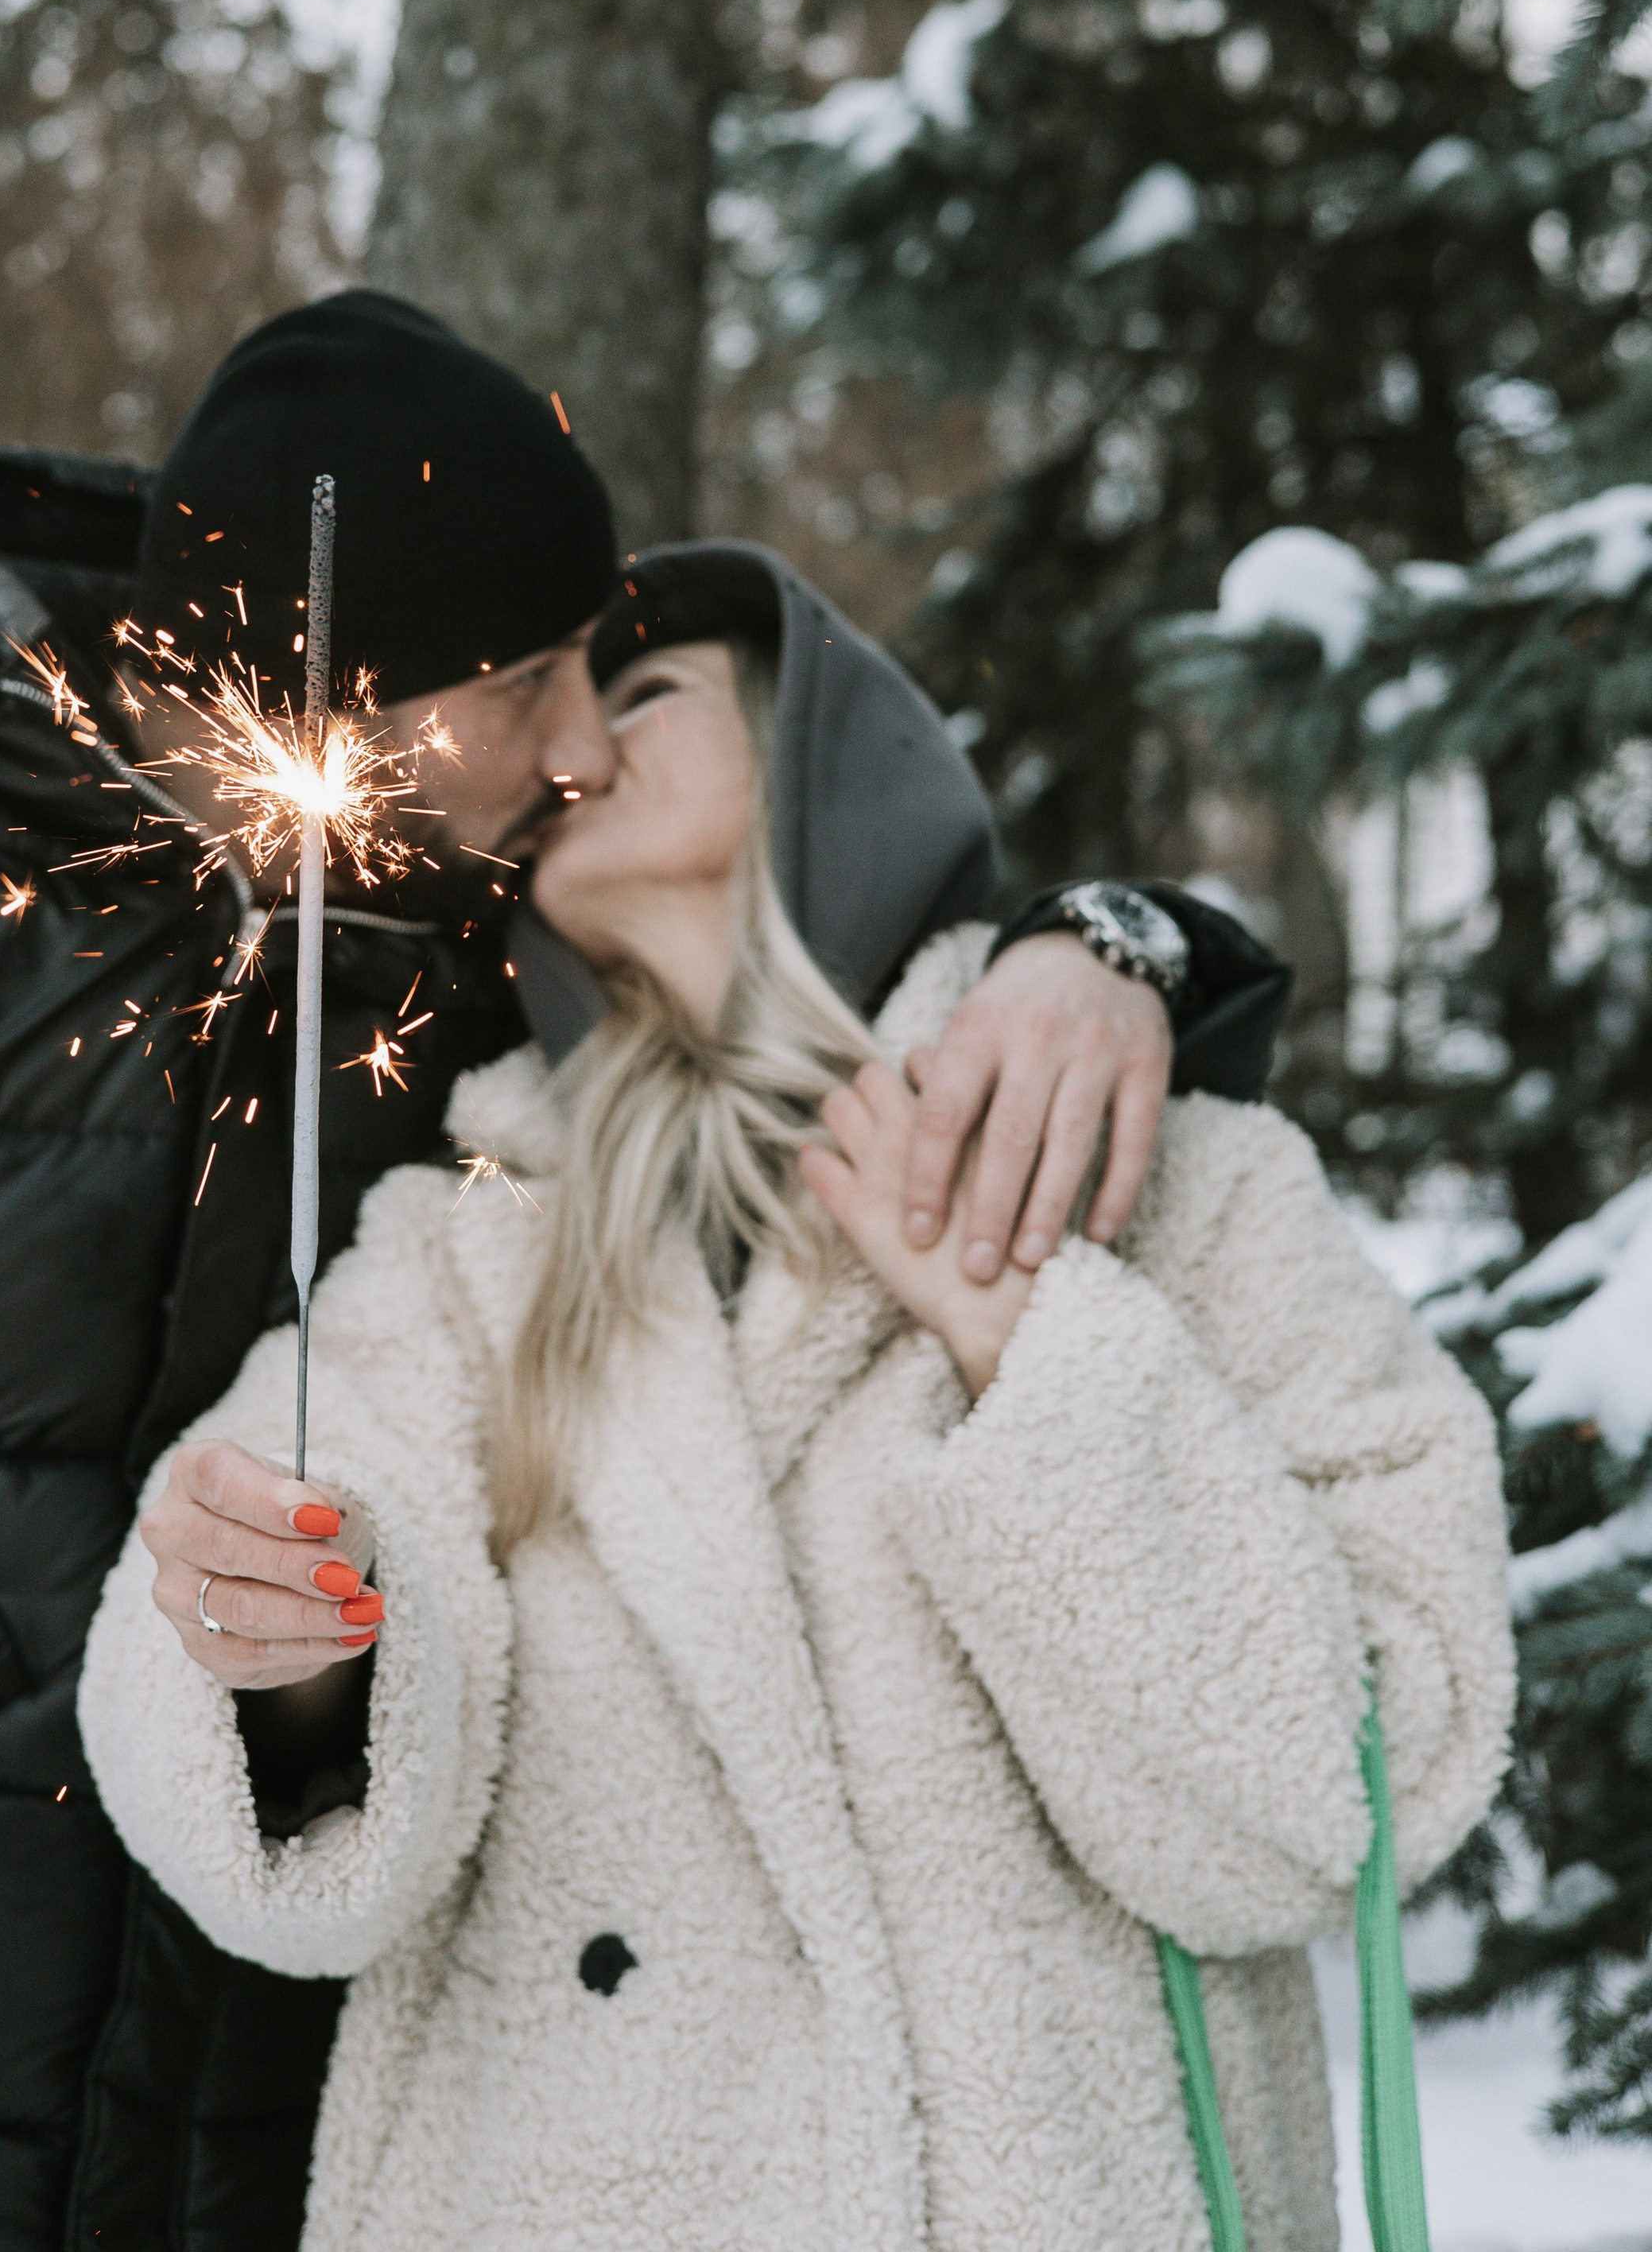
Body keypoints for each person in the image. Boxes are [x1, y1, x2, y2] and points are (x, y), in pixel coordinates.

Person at [0, 294, 1282, 2252]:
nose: (585, 744)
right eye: (538, 671)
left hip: (239, 2149)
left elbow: (833, 946)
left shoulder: (472, 977)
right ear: (340, 692)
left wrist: (1127, 947)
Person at [81, 541, 1514, 2252]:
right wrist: (298, 1662)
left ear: (827, 748)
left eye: (643, 695)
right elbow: (297, 1825)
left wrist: (1029, 1342)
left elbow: (1356, 1791)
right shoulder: (460, 1249)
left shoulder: (1184, 1182)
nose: (569, 749)